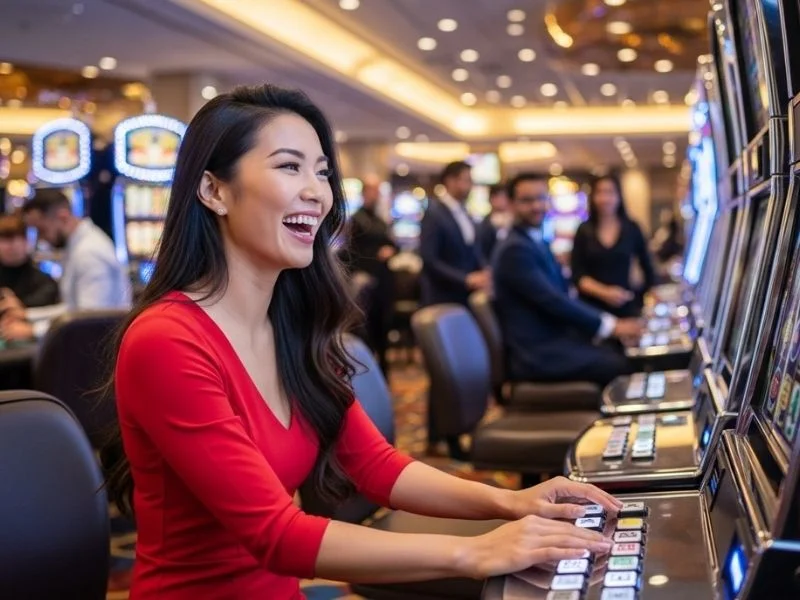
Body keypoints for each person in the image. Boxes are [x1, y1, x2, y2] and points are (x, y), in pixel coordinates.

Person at [101, 85, 620, 600]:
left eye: (322, 172)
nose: (317, 192)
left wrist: (513, 502)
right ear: (213, 190)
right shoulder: (167, 341)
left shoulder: (291, 324)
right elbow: (276, 534)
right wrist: (476, 551)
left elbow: (375, 466)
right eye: (289, 167)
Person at [493, 173, 642, 387]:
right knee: (618, 363)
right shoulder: (515, 249)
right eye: (527, 200)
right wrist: (611, 326)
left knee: (616, 349)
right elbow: (553, 300)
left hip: (554, 339)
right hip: (536, 353)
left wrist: (608, 328)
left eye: (541, 198)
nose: (536, 205)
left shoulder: (534, 241)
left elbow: (562, 295)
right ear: (510, 204)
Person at [0, 189, 132, 340]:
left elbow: (90, 321)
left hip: (99, 353)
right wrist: (28, 315)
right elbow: (73, 309)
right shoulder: (78, 247)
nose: (41, 240)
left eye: (42, 230)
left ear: (62, 217)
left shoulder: (89, 252)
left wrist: (32, 330)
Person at [571, 175, 656, 318]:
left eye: (610, 192)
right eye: (600, 192)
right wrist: (605, 293)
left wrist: (645, 299)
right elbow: (578, 275)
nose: (605, 198)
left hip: (626, 305)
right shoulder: (583, 230)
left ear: (619, 196)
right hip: (592, 310)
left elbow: (648, 267)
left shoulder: (632, 228)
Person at [344, 175, 397, 373]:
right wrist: (376, 255)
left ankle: (384, 370)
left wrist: (390, 251)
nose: (375, 195)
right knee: (366, 330)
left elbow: (392, 244)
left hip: (384, 281)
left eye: (377, 191)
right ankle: (369, 372)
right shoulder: (356, 220)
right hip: (366, 283)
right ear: (365, 193)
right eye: (372, 190)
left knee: (384, 326)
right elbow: (350, 254)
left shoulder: (380, 220)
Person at [419, 161, 490, 307]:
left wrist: (484, 271)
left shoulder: (465, 212)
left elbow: (471, 249)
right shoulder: (434, 213)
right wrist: (465, 279)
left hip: (466, 294)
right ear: (450, 181)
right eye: (466, 180)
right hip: (443, 295)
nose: (470, 186)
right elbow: (429, 259)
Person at [0, 214, 60, 308]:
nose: (10, 246)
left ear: (26, 242)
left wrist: (19, 305)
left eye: (15, 239)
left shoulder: (45, 283)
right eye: (5, 239)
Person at [475, 183, 512, 263]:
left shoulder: (515, 222)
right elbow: (480, 252)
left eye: (504, 197)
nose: (501, 201)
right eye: (497, 197)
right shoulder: (483, 225)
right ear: (490, 199)